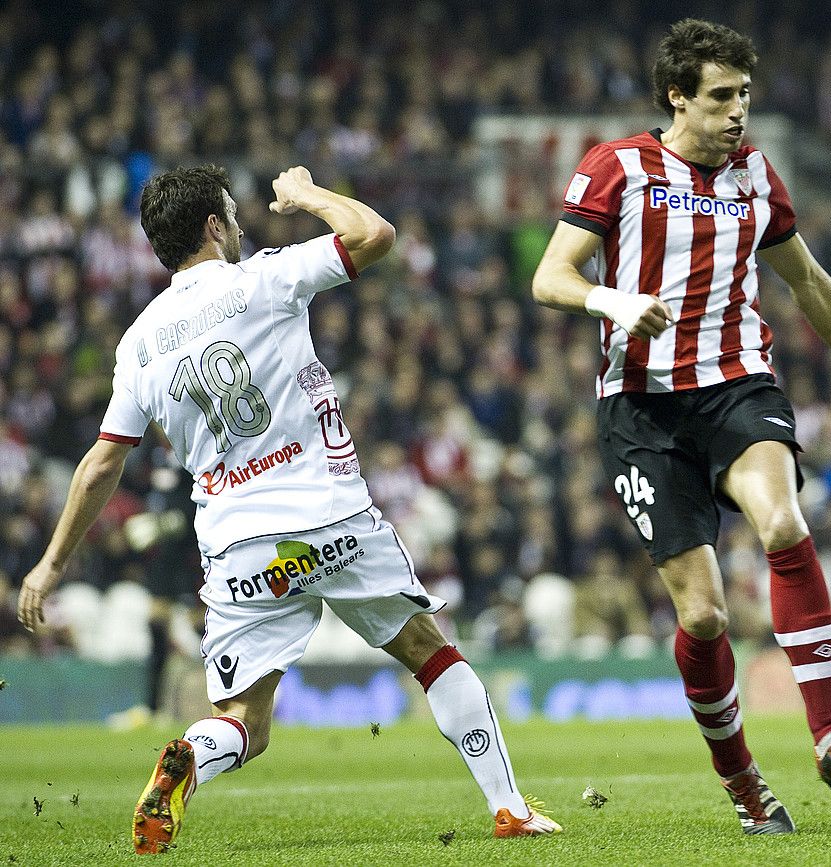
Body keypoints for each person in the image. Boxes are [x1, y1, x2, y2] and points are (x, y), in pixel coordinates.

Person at [17, 164, 560, 854]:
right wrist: (304, 195)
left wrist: (50, 562)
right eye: (234, 216)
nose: (243, 226)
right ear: (215, 226)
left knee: (244, 719)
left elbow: (101, 463)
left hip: (240, 545)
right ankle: (508, 806)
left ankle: (187, 752)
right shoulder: (263, 278)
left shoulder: (136, 345)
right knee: (429, 651)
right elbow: (374, 233)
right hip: (331, 518)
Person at [531, 18, 831, 835]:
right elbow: (549, 276)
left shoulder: (757, 175)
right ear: (679, 97)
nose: (739, 113)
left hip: (737, 386)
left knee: (782, 520)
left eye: (745, 96)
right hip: (641, 408)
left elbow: (806, 280)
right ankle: (743, 784)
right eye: (722, 97)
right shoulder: (618, 166)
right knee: (701, 616)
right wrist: (612, 299)